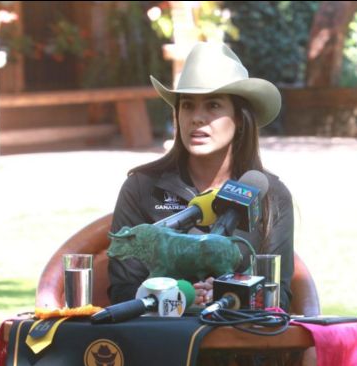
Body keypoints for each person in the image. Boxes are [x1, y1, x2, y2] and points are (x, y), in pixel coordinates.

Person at [108, 42, 294, 310]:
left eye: (213, 105)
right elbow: (123, 291)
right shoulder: (141, 187)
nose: (197, 118)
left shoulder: (272, 195)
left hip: (243, 343)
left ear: (240, 118)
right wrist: (182, 298)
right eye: (187, 106)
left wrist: (226, 296)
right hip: (162, 344)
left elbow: (281, 298)